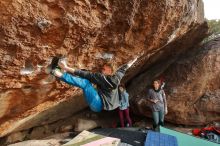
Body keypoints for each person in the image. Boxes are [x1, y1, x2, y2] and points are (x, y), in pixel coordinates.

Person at [49, 56, 138, 112]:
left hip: (98, 104)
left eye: (104, 69)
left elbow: (85, 74)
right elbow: (123, 69)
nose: (101, 70)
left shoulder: (103, 78)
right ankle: (63, 71)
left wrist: (66, 67)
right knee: (85, 81)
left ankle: (57, 72)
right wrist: (134, 60)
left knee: (86, 83)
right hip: (101, 105)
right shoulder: (116, 77)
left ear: (110, 70)